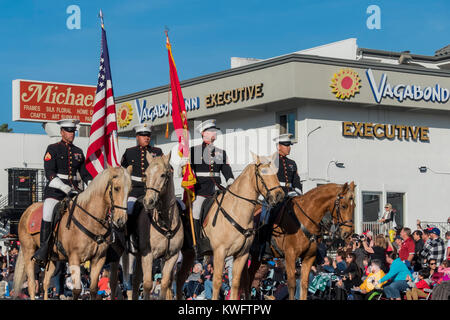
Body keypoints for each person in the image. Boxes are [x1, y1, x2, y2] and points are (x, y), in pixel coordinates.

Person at [32, 119, 92, 267]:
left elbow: (84, 173)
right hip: (55, 191)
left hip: (74, 191)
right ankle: (43, 251)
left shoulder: (78, 152)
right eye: (68, 131)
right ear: (61, 132)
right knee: (48, 212)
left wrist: (91, 184)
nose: (71, 134)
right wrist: (64, 188)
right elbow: (50, 174)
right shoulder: (52, 149)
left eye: (73, 131)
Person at [188, 120, 234, 257]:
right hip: (202, 190)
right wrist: (184, 164)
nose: (215, 133)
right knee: (196, 210)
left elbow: (226, 169)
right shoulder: (194, 151)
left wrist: (230, 181)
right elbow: (188, 171)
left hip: (218, 188)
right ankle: (198, 244)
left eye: (215, 130)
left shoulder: (221, 152)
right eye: (212, 130)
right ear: (203, 133)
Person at [120, 123, 163, 254]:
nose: (146, 138)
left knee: (177, 207)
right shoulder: (129, 152)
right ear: (137, 137)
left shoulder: (157, 152)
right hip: (136, 189)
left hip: (153, 190)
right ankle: (129, 239)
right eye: (143, 135)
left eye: (148, 135)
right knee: (130, 209)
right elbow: (123, 172)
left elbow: (166, 168)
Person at [260, 133, 302, 259]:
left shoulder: (292, 163)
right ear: (278, 146)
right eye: (286, 145)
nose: (289, 147)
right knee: (265, 218)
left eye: (289, 145)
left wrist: (298, 191)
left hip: (291, 195)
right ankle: (264, 246)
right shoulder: (270, 161)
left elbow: (297, 181)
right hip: (275, 197)